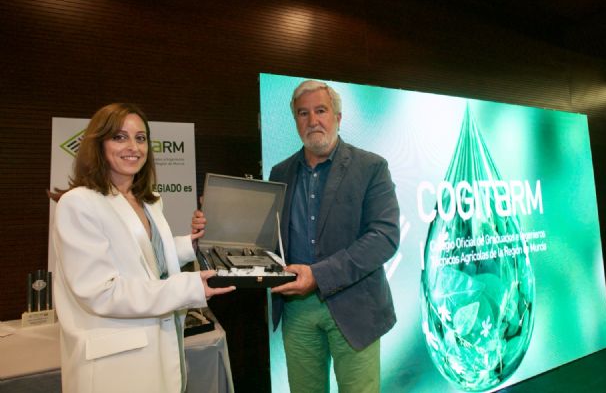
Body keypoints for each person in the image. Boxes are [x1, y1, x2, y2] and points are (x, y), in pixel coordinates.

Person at [50, 103, 235, 393]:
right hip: (115, 369)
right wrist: (189, 287)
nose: (133, 147)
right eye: (120, 137)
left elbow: (149, 257)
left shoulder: (147, 201)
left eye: (141, 138)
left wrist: (191, 244)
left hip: (159, 354)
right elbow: (103, 292)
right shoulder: (79, 203)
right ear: (98, 144)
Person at [270, 80, 400, 393]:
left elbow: (385, 236)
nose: (312, 120)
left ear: (338, 118)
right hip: (296, 307)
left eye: (320, 110)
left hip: (355, 305)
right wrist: (219, 225)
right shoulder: (279, 173)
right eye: (303, 113)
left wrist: (318, 275)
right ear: (295, 121)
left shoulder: (371, 167)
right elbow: (266, 236)